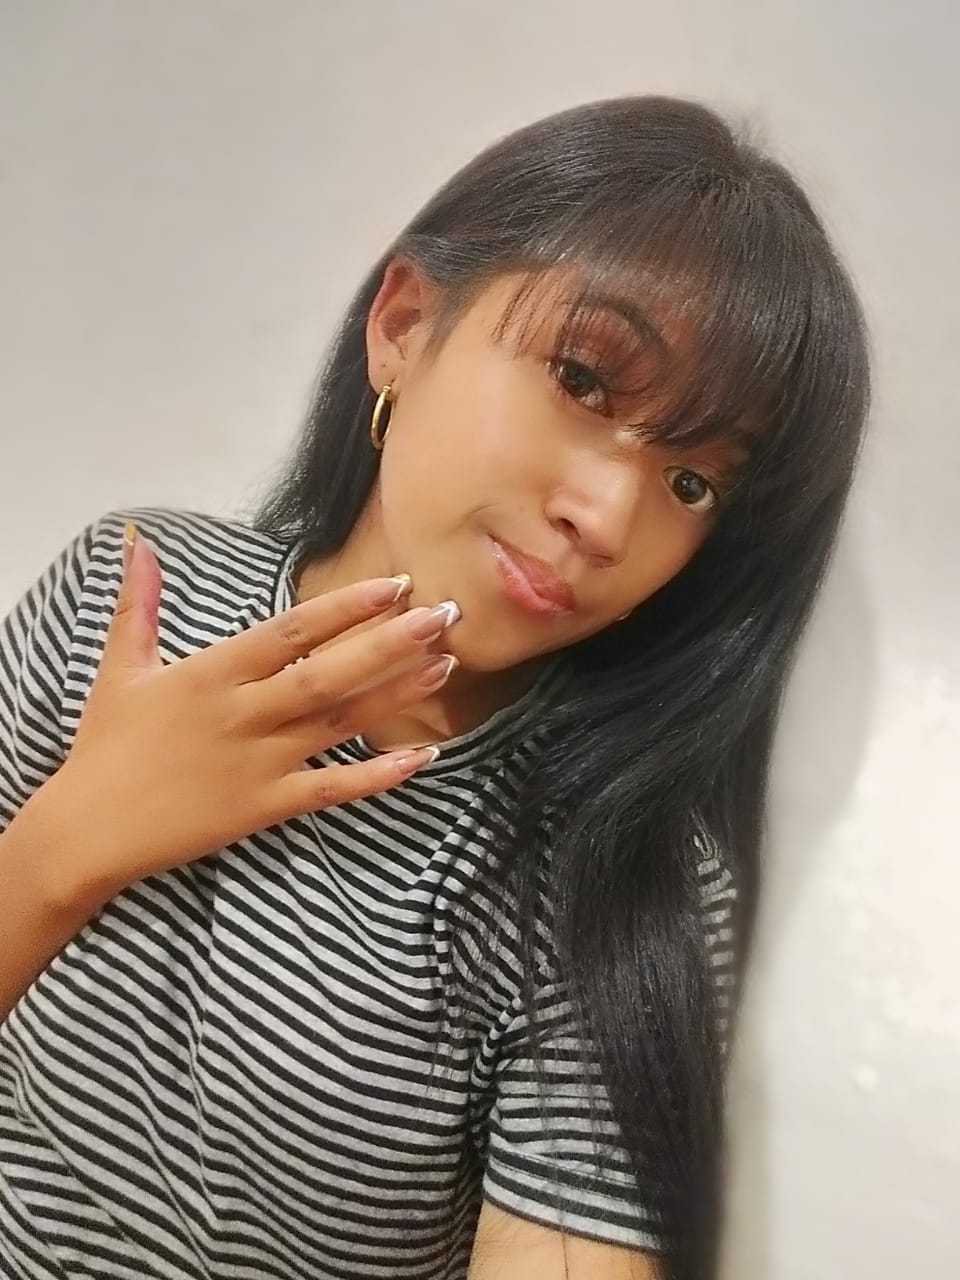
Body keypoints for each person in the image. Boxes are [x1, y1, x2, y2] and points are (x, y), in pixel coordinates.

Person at [0, 93, 870, 1280]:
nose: (609, 516)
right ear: (404, 325)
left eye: (693, 483)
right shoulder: (132, 593)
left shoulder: (615, 872)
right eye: (584, 378)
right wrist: (70, 844)